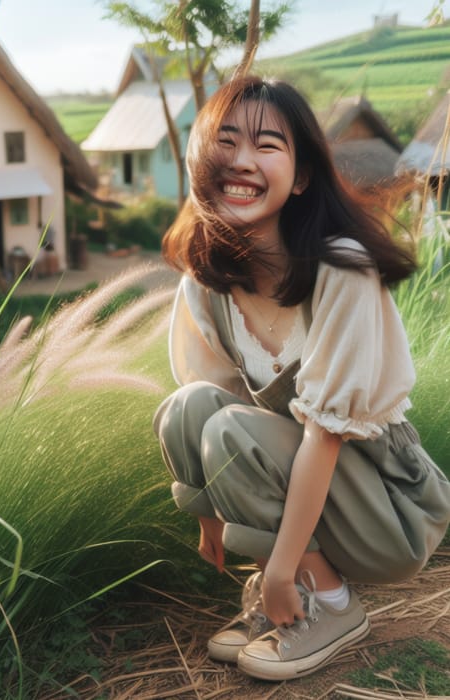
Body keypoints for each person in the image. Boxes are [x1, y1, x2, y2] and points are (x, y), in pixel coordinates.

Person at [153, 75, 450, 681]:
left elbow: (324, 436)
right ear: (199, 158)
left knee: (234, 431)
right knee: (185, 408)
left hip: (383, 507)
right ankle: (285, 596)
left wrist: (281, 570)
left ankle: (330, 601)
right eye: (226, 141)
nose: (241, 160)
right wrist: (210, 513)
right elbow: (204, 408)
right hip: (308, 491)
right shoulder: (206, 286)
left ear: (302, 175)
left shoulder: (343, 270)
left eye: (267, 145)